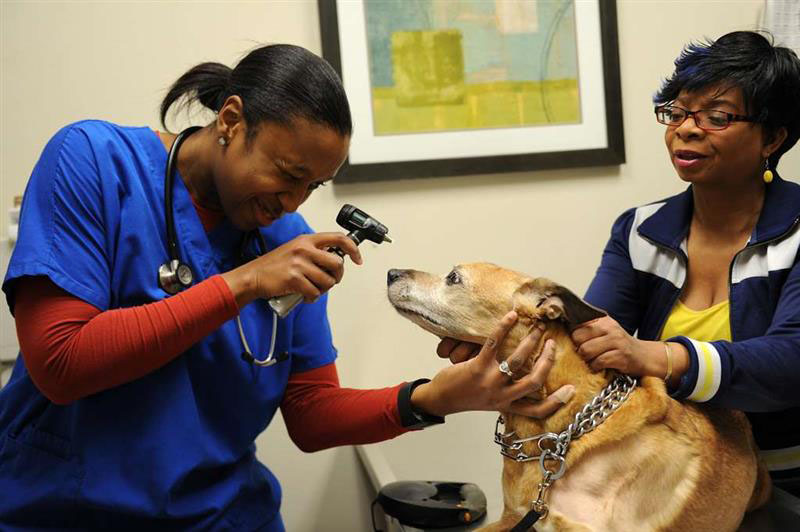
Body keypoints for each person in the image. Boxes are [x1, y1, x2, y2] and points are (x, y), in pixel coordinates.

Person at [0, 44, 571, 530]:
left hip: (222, 517)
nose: (293, 202)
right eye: (288, 174)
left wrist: (438, 397)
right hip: (68, 512)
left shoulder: (283, 238)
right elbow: (61, 362)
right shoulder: (94, 164)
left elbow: (310, 413)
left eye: (313, 186)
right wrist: (244, 283)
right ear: (231, 121)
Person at [570, 31, 800, 497]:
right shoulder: (639, 230)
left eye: (717, 117)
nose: (686, 129)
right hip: (674, 474)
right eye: (676, 112)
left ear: (772, 138)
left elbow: (790, 363)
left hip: (786, 481)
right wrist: (503, 338)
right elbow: (592, 340)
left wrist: (659, 357)